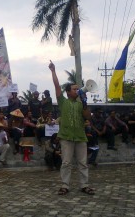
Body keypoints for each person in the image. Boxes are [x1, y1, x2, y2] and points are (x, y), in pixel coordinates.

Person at [49, 61, 94, 195]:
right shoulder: (63, 102)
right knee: (66, 162)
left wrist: (85, 103)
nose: (77, 90)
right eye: (74, 89)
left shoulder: (81, 103)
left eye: (77, 88)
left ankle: (84, 185)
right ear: (68, 92)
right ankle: (65, 185)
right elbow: (57, 86)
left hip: (80, 136)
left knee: (83, 163)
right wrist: (53, 71)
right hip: (66, 137)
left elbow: (88, 117)